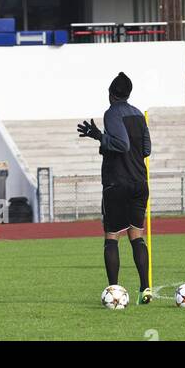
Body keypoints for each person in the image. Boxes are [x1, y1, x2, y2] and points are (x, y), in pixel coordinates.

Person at [78, 72, 153, 304]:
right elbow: (146, 149)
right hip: (140, 182)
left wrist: (99, 136)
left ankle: (114, 291)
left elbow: (122, 144)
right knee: (136, 235)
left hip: (116, 182)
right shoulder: (139, 114)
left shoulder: (111, 113)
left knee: (112, 237)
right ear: (129, 94)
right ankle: (145, 289)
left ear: (111, 94)